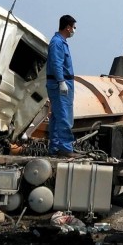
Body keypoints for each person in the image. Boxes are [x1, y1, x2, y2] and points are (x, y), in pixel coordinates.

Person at [46, 14, 77, 157]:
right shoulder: (57, 43)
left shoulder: (60, 42)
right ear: (68, 27)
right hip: (60, 83)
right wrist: (61, 81)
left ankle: (56, 147)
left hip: (62, 82)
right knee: (64, 115)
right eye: (73, 27)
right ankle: (65, 147)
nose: (74, 31)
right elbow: (56, 63)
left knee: (57, 116)